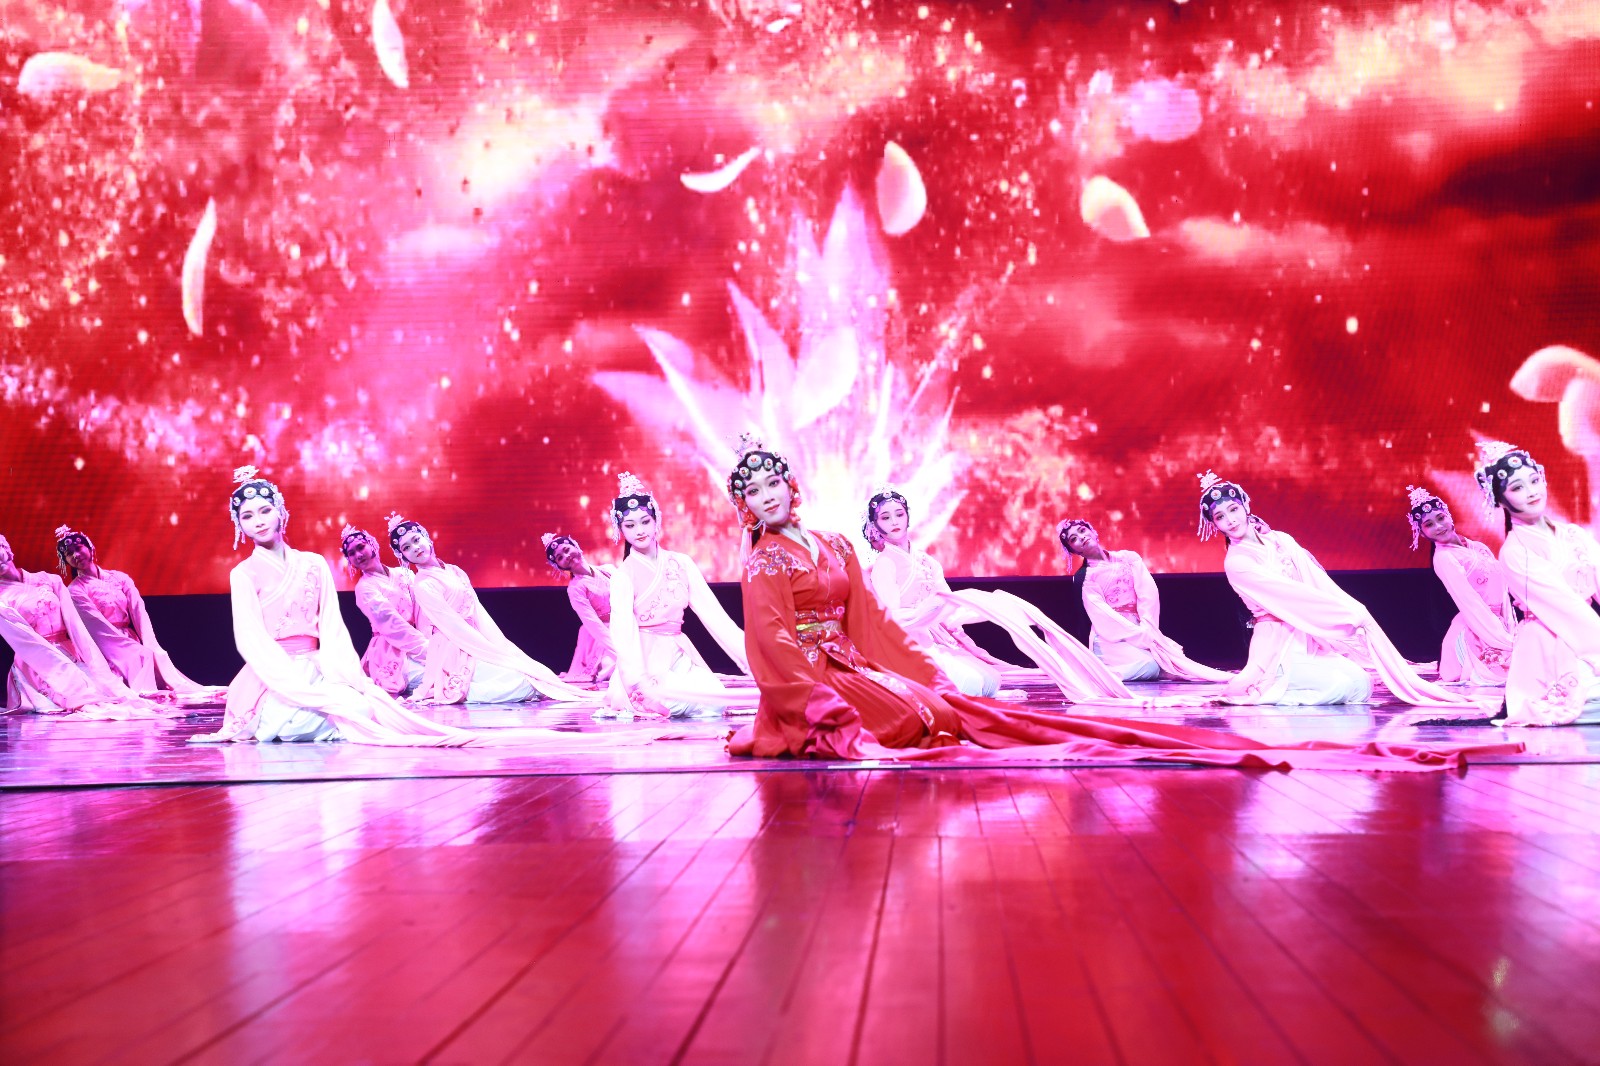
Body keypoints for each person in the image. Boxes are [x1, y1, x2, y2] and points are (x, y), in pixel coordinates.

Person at [723, 437, 1504, 770]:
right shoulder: (765, 560)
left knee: (944, 704)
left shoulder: (834, 545)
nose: (768, 495)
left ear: (791, 485)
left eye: (772, 481)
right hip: (814, 677)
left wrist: (913, 669)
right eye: (752, 491)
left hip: (857, 659)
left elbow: (871, 623)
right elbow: (772, 641)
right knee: (923, 718)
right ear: (746, 507)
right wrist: (814, 697)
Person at [192, 468, 628, 747]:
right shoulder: (244, 574)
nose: (259, 521)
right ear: (240, 525)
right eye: (248, 516)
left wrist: (342, 676)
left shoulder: (313, 564)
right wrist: (294, 682)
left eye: (265, 510)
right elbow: (251, 639)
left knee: (357, 709)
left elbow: (333, 631)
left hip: (323, 663)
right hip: (277, 672)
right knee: (299, 723)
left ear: (281, 512)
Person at [1198, 472, 1471, 708]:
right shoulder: (1237, 562)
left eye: (1233, 509)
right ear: (1214, 524)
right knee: (1340, 687)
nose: (1230, 520)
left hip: (1306, 633)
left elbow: (1317, 581)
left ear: (1245, 505)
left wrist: (1352, 609)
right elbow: (1291, 597)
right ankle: (1270, 691)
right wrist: (1342, 615)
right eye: (1220, 517)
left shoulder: (1280, 540)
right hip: (1277, 643)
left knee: (1361, 685)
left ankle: (1288, 689)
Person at [388, 513, 596, 705]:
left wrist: (502, 647)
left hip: (476, 639)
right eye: (406, 548)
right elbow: (453, 627)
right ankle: (455, 689)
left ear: (427, 538)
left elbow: (479, 614)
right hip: (454, 647)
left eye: (416, 540)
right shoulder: (424, 584)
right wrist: (491, 652)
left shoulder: (454, 571)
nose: (415, 548)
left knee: (536, 672)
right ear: (403, 556)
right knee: (526, 684)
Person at [598, 472, 753, 718]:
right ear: (620, 530)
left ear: (656, 520)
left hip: (678, 653)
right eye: (630, 525)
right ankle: (643, 699)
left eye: (645, 521)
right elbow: (623, 635)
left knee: (716, 700)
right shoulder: (623, 575)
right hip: (643, 661)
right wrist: (639, 683)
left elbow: (715, 617)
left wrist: (753, 660)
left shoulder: (682, 563)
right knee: (675, 701)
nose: (639, 530)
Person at [1481, 442, 1600, 725]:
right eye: (1517, 487)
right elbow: (1565, 607)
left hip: (1585, 631)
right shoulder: (1515, 551)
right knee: (1582, 700)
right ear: (1500, 501)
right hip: (1548, 639)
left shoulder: (1573, 533)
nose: (1532, 491)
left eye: (1534, 481)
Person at [861, 489, 1018, 696]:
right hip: (903, 645)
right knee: (971, 683)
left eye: (899, 514)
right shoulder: (885, 563)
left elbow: (949, 610)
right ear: (876, 525)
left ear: (907, 516)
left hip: (929, 639)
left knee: (991, 680)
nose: (894, 521)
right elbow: (890, 620)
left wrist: (986, 610)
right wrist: (924, 612)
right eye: (885, 517)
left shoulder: (927, 561)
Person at [0, 532, 166, 717]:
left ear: (6, 549)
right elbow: (26, 642)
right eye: (69, 553)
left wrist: (93, 662)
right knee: (80, 697)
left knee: (107, 690)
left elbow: (75, 625)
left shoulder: (49, 580)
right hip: (37, 660)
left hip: (70, 650)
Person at [1058, 518, 1232, 683]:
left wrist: (1148, 627)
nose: (1081, 537)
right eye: (1074, 539)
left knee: (1173, 661)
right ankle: (1100, 675)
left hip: (1141, 627)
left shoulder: (1128, 558)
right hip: (1110, 638)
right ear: (1074, 550)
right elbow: (1102, 615)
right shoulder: (1086, 577)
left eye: (1082, 531)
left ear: (1093, 532)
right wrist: (1139, 635)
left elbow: (1147, 594)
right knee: (1150, 665)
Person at [54, 525, 208, 695]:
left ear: (89, 547)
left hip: (130, 638)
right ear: (66, 561)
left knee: (154, 662)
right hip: (105, 644)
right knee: (132, 673)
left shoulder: (120, 578)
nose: (76, 555)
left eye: (78, 548)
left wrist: (150, 644)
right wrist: (132, 649)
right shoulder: (75, 589)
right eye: (69, 554)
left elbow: (139, 612)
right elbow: (96, 625)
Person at [1405, 486, 1512, 686]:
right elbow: (1470, 602)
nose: (1438, 526)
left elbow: (1503, 591)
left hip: (1500, 623)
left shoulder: (1478, 547)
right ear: (1422, 533)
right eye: (1429, 524)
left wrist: (1509, 627)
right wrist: (1501, 637)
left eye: (1441, 518)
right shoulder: (1445, 558)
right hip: (1476, 630)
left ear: (1449, 516)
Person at [340, 524, 427, 696]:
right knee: (437, 678)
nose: (358, 555)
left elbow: (423, 613)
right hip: (389, 649)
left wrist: (435, 643)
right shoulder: (365, 588)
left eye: (360, 547)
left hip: (421, 638)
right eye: (351, 553)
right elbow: (393, 626)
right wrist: (428, 650)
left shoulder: (405, 574)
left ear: (372, 544)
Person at [544, 533, 616, 684]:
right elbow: (593, 624)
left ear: (575, 546)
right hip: (602, 635)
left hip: (627, 624)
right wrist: (618, 650)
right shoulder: (575, 589)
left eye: (566, 550)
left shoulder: (608, 570)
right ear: (559, 565)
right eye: (560, 557)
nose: (566, 556)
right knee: (615, 668)